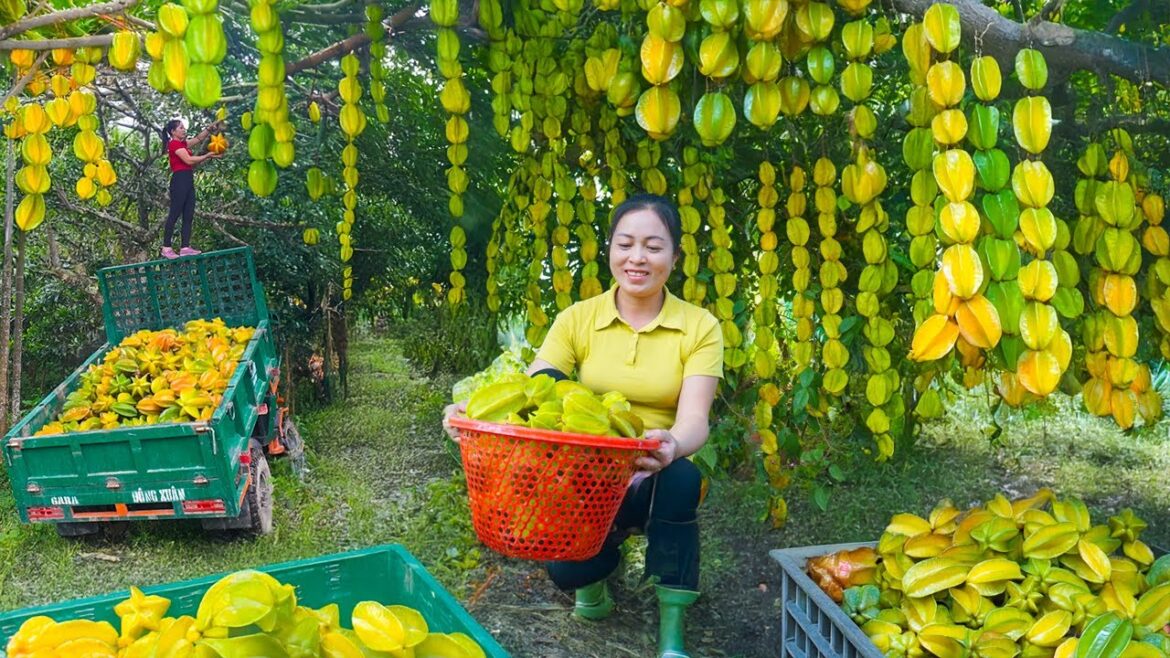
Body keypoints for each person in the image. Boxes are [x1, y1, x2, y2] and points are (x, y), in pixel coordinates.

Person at [444, 194, 723, 658]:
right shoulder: (579, 318)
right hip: (587, 472)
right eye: (625, 243)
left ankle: (672, 631)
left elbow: (695, 418)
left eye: (653, 246)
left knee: (683, 480)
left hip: (653, 467)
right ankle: (591, 586)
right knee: (567, 571)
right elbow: (534, 389)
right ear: (609, 248)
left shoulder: (698, 327)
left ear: (675, 257)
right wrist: (470, 415)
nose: (637, 258)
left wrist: (672, 445)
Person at [160, 118, 223, 259]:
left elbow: (198, 139)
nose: (184, 129)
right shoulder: (174, 144)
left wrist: (209, 128)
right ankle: (166, 247)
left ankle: (185, 247)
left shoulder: (182, 144)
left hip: (188, 180)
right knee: (174, 214)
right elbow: (188, 160)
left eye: (184, 127)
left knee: (188, 214)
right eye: (181, 128)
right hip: (179, 181)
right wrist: (208, 155)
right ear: (173, 132)